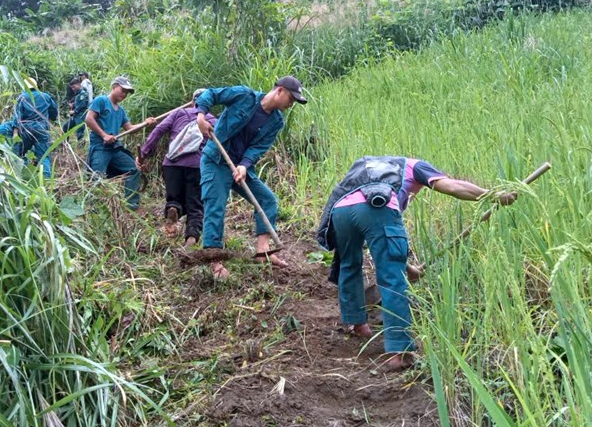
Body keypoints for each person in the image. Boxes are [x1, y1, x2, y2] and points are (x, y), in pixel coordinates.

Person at [316, 156, 517, 371]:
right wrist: (493, 197)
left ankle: (359, 325)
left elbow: (369, 222)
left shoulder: (367, 166)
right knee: (392, 278)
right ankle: (399, 353)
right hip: (376, 205)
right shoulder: (415, 166)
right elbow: (451, 186)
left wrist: (408, 267)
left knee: (349, 264)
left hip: (341, 211)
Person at [194, 76, 308, 279]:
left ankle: (262, 251)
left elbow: (258, 148)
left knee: (267, 200)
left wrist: (244, 166)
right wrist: (201, 115)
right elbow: (210, 94)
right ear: (280, 91)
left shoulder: (276, 122)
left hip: (240, 166)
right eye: (291, 99)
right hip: (216, 160)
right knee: (216, 206)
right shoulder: (244, 96)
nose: (291, 104)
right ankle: (214, 261)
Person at [137, 89, 217, 247]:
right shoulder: (212, 120)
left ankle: (173, 208)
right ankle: (191, 238)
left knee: (174, 198)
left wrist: (144, 153)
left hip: (171, 164)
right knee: (195, 204)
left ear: (192, 101)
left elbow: (158, 130)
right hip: (196, 165)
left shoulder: (178, 113)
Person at [85, 76, 156, 210]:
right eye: (122, 90)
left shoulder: (121, 111)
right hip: (100, 147)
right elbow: (89, 119)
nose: (124, 94)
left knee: (133, 169)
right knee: (96, 177)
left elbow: (130, 129)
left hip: (114, 149)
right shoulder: (101, 101)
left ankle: (131, 204)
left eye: (126, 93)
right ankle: (93, 207)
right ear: (114, 87)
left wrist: (145, 123)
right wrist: (104, 135)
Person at [11, 77, 59, 175]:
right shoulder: (45, 96)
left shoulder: (21, 97)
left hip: (26, 129)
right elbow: (54, 112)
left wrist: (15, 133)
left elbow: (17, 116)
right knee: (44, 156)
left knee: (20, 154)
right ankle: (46, 179)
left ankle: (22, 176)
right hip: (42, 128)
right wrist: (51, 119)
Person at [62, 77, 89, 142]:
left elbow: (82, 105)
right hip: (75, 116)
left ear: (79, 84)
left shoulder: (83, 93)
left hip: (80, 116)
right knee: (65, 127)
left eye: (74, 87)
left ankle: (80, 148)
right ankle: (66, 143)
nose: (73, 89)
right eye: (72, 87)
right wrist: (73, 105)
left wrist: (74, 111)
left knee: (79, 132)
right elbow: (78, 103)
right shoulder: (77, 94)